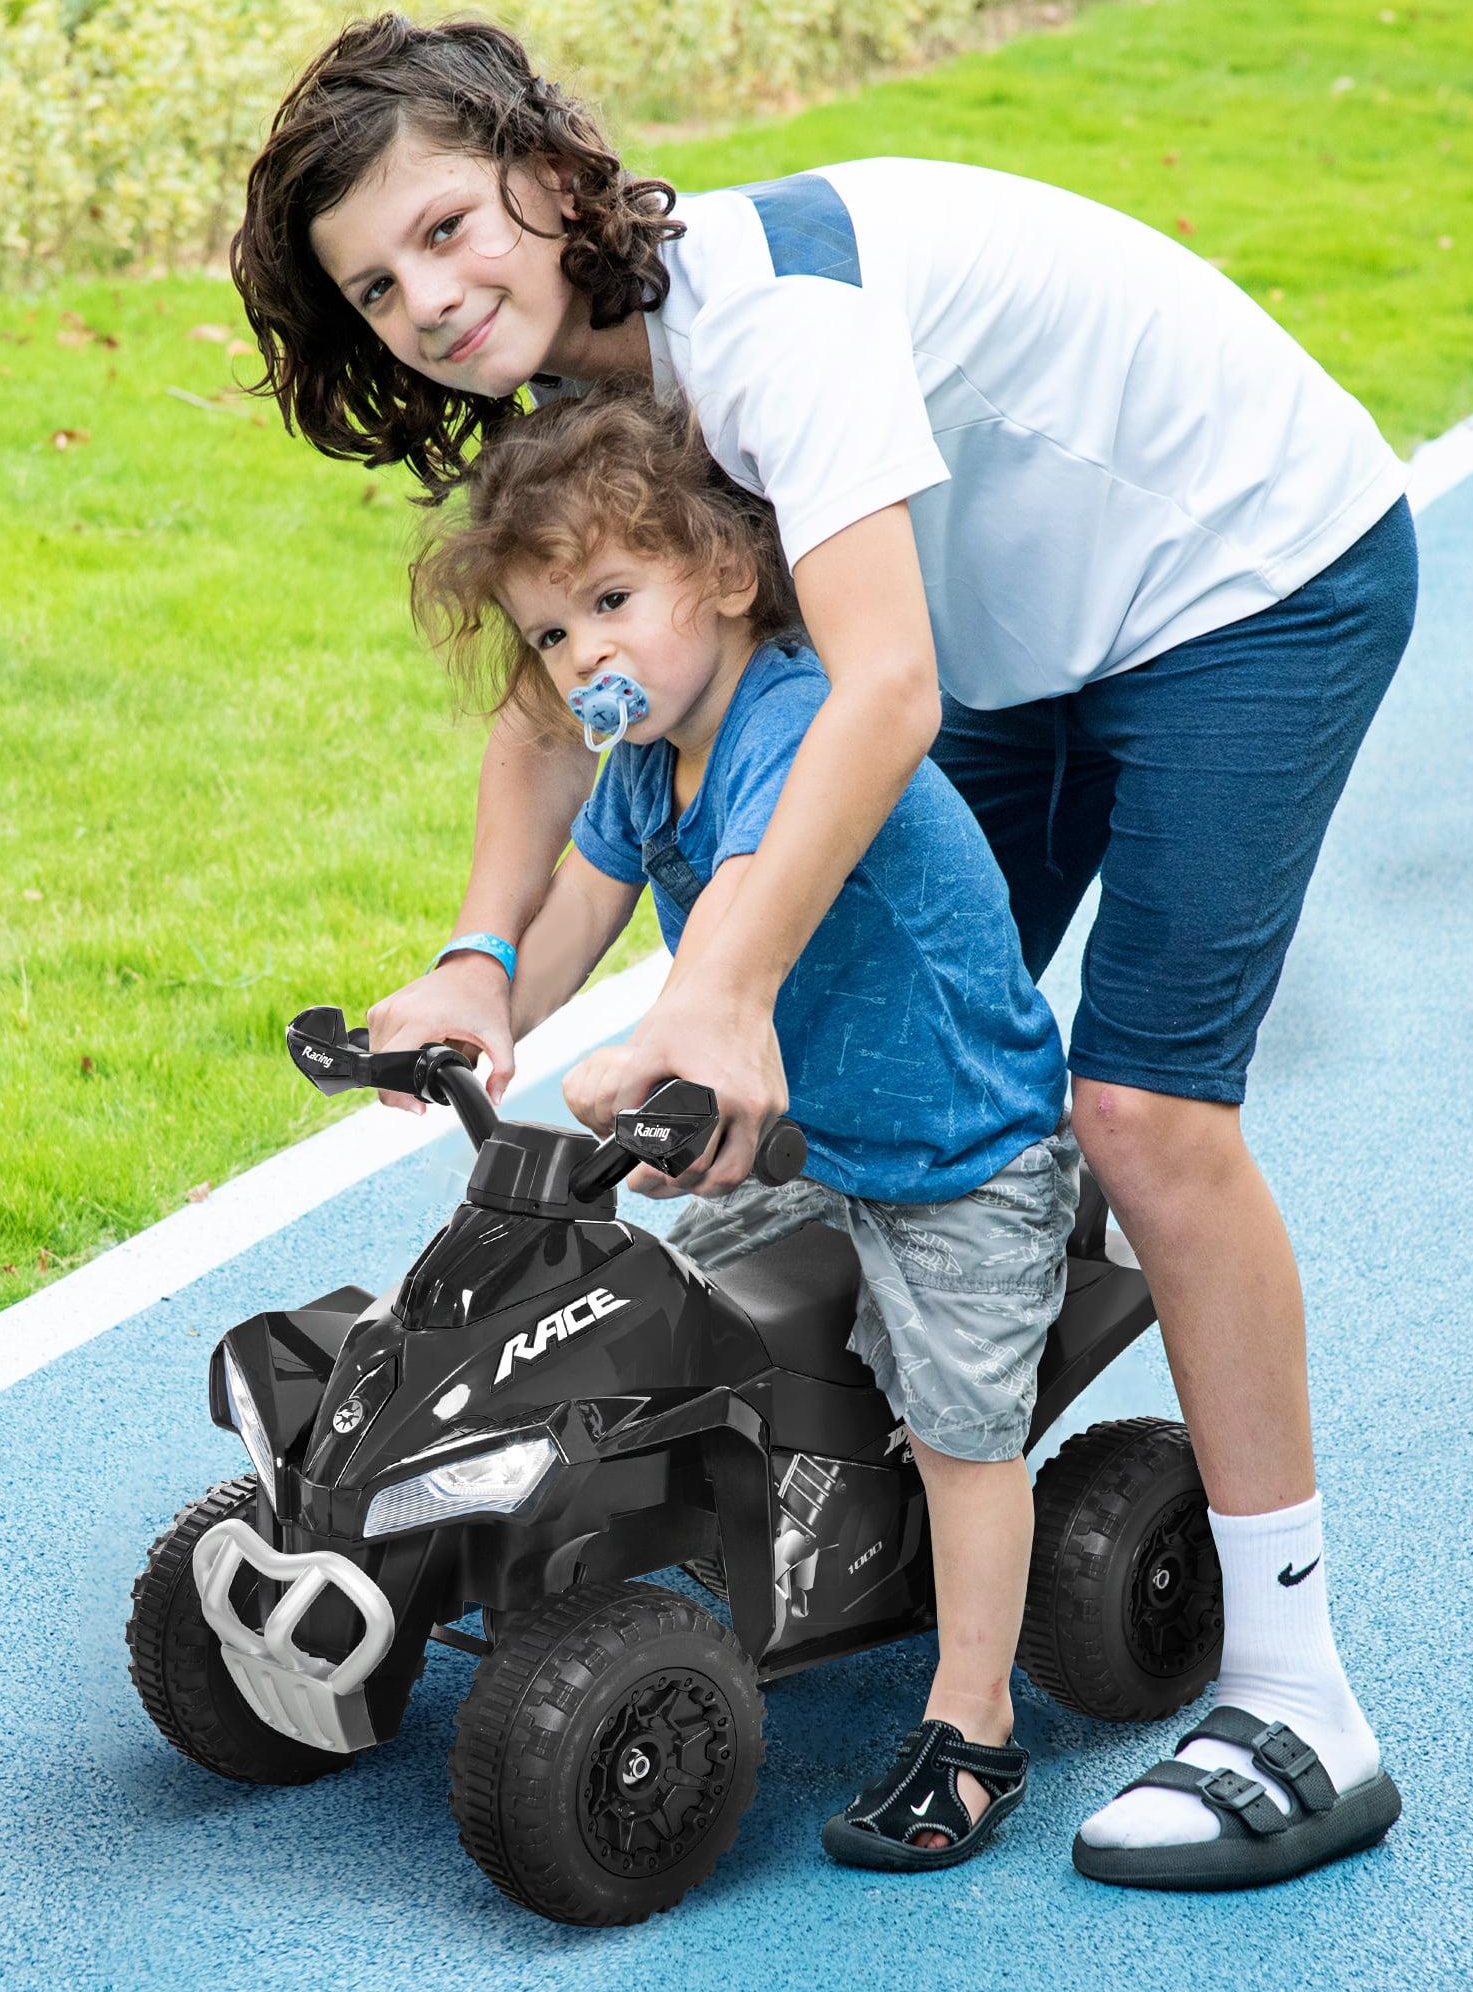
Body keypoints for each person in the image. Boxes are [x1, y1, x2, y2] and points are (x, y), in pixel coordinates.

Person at [231, 13, 1414, 1888]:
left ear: (550, 176)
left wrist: (719, 983)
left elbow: (883, 684)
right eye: (377, 286)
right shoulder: (574, 398)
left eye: (449, 228)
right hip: (1019, 631)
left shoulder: (768, 326)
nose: (428, 299)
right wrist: (477, 958)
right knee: (897, 1025)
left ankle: (1294, 1696)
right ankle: (865, 1491)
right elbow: (566, 712)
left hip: (1238, 577)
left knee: (1134, 1114)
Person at [409, 376, 1078, 1869]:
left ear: (722, 574)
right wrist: (486, 989)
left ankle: (973, 1724)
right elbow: (579, 903)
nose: (585, 653)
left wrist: (657, 1046)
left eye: (610, 599)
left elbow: (752, 916)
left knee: (964, 1423)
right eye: (552, 632)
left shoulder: (787, 717)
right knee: (688, 1317)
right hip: (813, 1142)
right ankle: (782, 1538)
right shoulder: (645, 756)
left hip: (955, 1149)